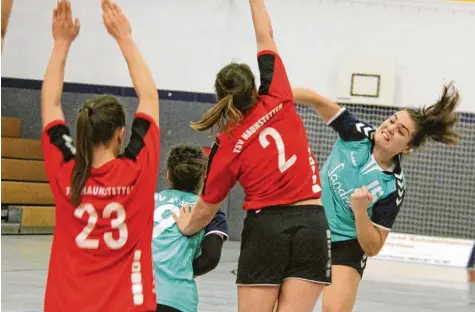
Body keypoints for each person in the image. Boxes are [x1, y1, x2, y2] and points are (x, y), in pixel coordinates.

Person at [172, 1, 331, 311]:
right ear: (254, 88)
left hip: (267, 227)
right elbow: (265, 35)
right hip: (313, 224)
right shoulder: (279, 94)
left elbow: (205, 209)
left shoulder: (227, 144)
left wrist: (186, 226)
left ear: (221, 100)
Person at [292, 83, 461, 312]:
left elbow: (373, 247)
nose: (391, 128)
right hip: (310, 228)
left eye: (401, 131)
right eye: (392, 120)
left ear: (407, 148)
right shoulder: (356, 133)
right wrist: (271, 99)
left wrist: (361, 212)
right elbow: (315, 99)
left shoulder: (393, 186)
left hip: (346, 246)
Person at [41, 1, 159, 311]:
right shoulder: (138, 171)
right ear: (121, 134)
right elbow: (149, 96)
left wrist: (60, 45)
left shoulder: (65, 173)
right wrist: (124, 37)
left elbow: (51, 106)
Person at [152, 144, 229, 312]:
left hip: (137, 294)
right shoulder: (209, 212)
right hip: (176, 298)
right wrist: (181, 270)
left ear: (168, 174)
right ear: (203, 177)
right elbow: (210, 258)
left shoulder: (148, 201)